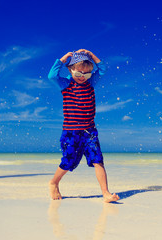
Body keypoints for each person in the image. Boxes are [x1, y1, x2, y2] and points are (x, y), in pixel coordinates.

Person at [48, 49, 119, 202]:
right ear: (70, 69)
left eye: (86, 74)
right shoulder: (66, 84)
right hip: (71, 131)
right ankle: (54, 182)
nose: (82, 77)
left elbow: (103, 69)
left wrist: (92, 55)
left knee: (98, 160)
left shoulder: (91, 82)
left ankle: (106, 193)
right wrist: (63, 59)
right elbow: (52, 75)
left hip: (89, 131)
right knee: (69, 161)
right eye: (78, 74)